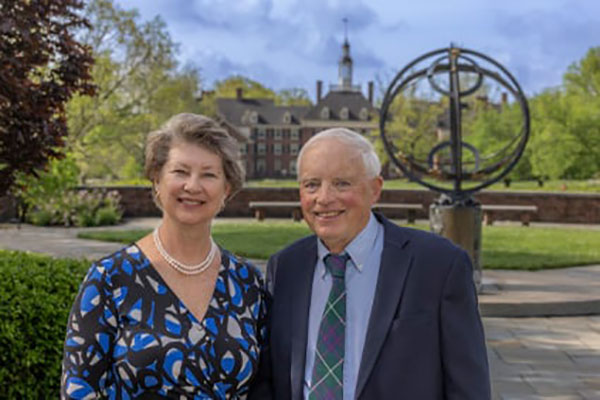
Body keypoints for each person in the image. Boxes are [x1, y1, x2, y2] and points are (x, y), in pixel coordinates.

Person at [249, 128, 490, 399]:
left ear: (375, 190)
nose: (324, 198)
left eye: (342, 183)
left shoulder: (438, 265)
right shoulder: (286, 268)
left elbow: (468, 387)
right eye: (311, 184)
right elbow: (268, 377)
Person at [61, 113, 268, 399]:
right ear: (156, 179)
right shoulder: (111, 279)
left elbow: (266, 386)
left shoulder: (248, 283)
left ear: (226, 190)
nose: (193, 186)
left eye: (209, 174)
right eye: (180, 172)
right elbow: (78, 389)